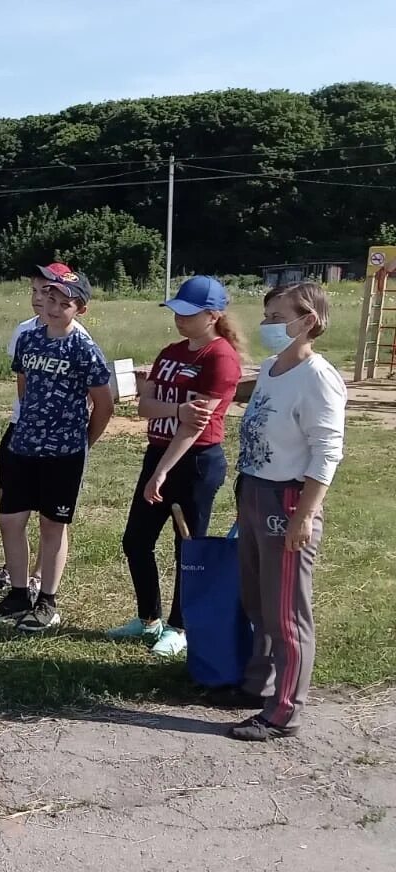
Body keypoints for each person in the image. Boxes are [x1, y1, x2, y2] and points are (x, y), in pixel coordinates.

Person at [227, 282, 346, 741]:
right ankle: (260, 684)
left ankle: (284, 711)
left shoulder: (318, 377)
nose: (267, 326)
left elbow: (327, 451)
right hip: (256, 492)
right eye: (267, 316)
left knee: (287, 612)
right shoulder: (275, 368)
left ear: (307, 322)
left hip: (290, 501)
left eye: (277, 318)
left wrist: (305, 514)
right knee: (257, 600)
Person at [108, 276, 244, 655]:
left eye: (189, 313)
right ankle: (148, 619)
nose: (179, 319)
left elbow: (195, 423)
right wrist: (172, 406)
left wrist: (163, 470)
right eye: (177, 311)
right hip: (159, 453)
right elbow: (144, 408)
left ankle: (181, 627)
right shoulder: (171, 352)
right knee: (136, 540)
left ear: (214, 315)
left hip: (196, 460)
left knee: (188, 549)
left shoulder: (220, 358)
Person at [0, 270, 112, 632]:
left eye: (65, 303)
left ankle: (48, 601)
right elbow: (24, 386)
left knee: (51, 525)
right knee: (10, 520)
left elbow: (104, 405)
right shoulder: (29, 340)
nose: (55, 308)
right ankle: (17, 594)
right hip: (24, 445)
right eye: (52, 300)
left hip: (65, 452)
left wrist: (82, 443)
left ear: (80, 309)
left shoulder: (84, 349)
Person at [0, 264, 88, 598]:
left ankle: (40, 577)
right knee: (10, 507)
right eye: (37, 292)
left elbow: (96, 399)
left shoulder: (79, 341)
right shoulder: (26, 332)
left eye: (48, 293)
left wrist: (80, 441)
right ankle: (17, 574)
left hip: (60, 443)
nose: (41, 300)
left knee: (51, 518)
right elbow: (23, 384)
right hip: (21, 431)